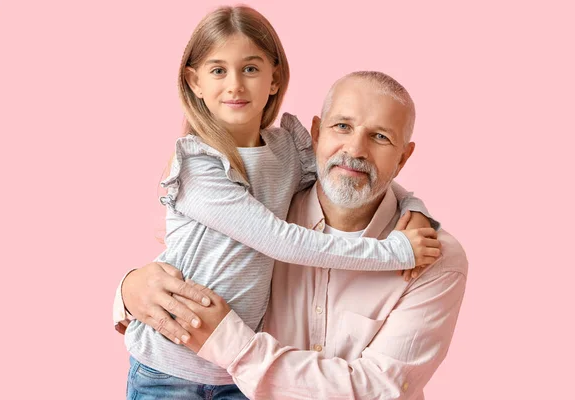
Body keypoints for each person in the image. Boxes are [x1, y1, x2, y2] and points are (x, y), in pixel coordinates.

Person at [118, 5, 440, 399]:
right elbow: (280, 240)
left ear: (275, 78)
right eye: (218, 70)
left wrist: (414, 207)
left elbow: (350, 172)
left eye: (250, 69)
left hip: (238, 373)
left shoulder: (286, 149)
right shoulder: (198, 166)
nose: (235, 85)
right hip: (168, 366)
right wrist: (395, 253)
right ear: (194, 81)